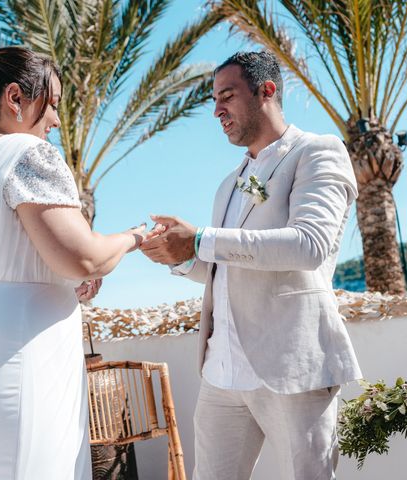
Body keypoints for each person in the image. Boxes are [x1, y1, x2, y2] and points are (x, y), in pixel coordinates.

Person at [0, 46, 146, 480]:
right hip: (20, 359)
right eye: (53, 104)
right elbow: (84, 256)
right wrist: (135, 237)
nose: (57, 121)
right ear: (15, 98)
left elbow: (3, 259)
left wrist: (56, 281)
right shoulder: (26, 153)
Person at [140, 51, 362, 480]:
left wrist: (201, 239)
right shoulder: (229, 183)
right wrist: (181, 257)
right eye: (214, 100)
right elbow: (229, 266)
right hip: (221, 371)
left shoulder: (318, 152)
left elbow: (308, 245)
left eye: (227, 96)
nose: (217, 110)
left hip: (291, 366)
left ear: (267, 91)